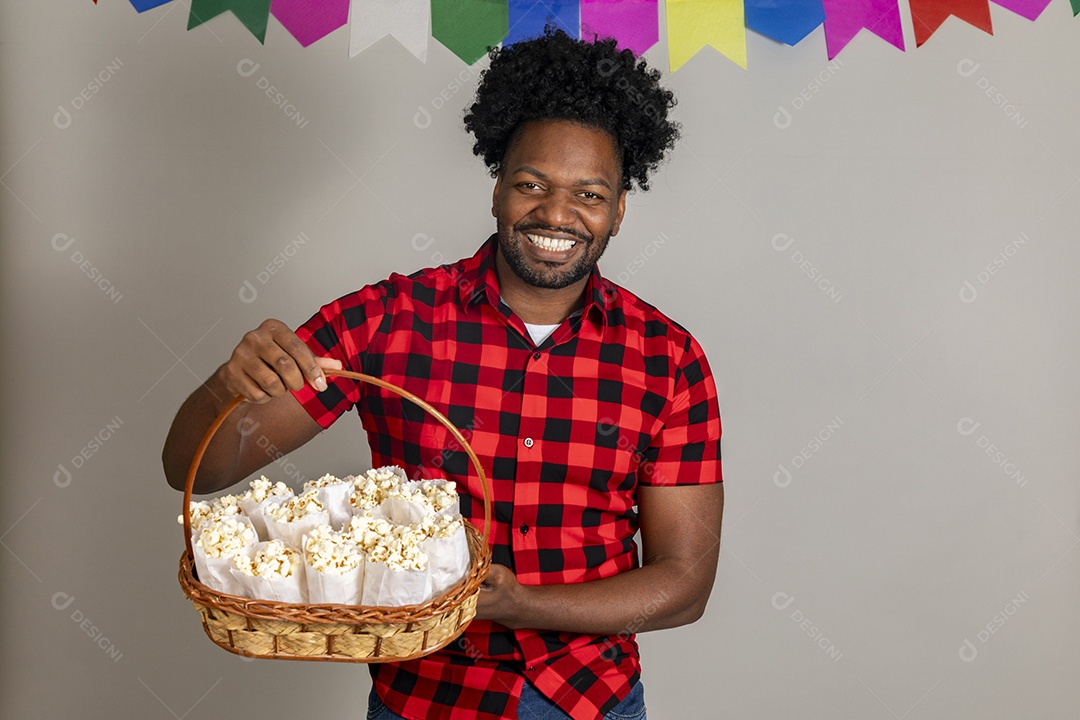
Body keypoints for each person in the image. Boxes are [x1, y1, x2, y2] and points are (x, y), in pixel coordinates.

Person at [162, 28, 723, 720]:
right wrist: (228, 383)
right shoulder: (388, 319)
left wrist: (524, 605)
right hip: (425, 700)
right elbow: (196, 468)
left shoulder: (668, 360)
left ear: (619, 210)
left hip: (588, 699)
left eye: (589, 194)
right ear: (496, 189)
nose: (556, 213)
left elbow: (684, 584)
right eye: (531, 184)